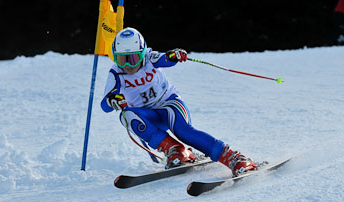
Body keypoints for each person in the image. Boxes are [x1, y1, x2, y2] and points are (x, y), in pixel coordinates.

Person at [101, 27, 257, 177]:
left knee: (182, 131)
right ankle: (176, 150)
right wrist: (113, 100)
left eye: (133, 58)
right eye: (122, 59)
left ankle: (235, 158)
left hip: (169, 106)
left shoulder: (149, 58)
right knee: (126, 115)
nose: (128, 65)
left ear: (142, 54)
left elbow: (166, 59)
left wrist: (174, 55)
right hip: (149, 117)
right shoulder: (116, 73)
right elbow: (105, 105)